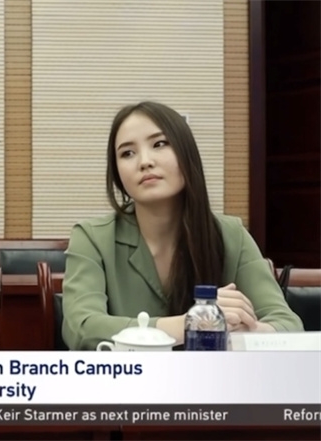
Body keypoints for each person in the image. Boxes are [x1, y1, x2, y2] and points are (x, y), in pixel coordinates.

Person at [62, 101, 303, 350]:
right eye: (127, 153)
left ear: (186, 153)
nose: (144, 161)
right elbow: (81, 328)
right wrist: (191, 323)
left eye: (159, 144)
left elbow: (288, 325)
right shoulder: (92, 238)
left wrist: (245, 331)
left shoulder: (231, 234)